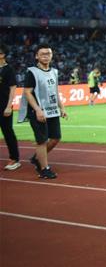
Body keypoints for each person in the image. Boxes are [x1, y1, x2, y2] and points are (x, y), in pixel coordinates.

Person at [18, 45, 67, 179]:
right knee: (42, 140)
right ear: (37, 56)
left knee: (56, 137)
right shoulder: (32, 72)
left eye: (48, 53)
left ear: (51, 56)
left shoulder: (54, 72)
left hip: (52, 110)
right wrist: (38, 110)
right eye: (43, 54)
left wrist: (62, 108)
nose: (46, 56)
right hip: (37, 111)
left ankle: (37, 158)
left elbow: (55, 92)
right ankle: (44, 168)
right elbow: (27, 92)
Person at [0, 44, 21, 171]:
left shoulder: (8, 70)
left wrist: (9, 106)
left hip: (3, 106)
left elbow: (13, 88)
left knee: (8, 133)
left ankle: (14, 159)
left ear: (2, 55)